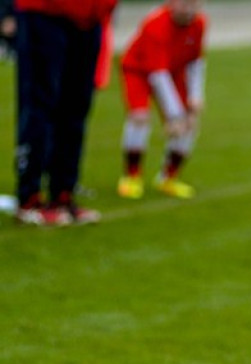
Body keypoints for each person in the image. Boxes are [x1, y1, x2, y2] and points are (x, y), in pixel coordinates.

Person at [13, 0, 118, 226]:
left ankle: (63, 193)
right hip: (46, 11)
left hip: (89, 17)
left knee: (76, 108)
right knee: (40, 103)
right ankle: (29, 197)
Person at [117, 0, 206, 200]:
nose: (189, 10)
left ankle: (168, 178)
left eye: (194, 4)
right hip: (138, 70)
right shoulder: (155, 24)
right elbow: (158, 74)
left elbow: (196, 60)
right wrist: (174, 116)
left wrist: (195, 97)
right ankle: (131, 176)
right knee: (139, 117)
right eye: (184, 4)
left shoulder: (199, 23)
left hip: (173, 71)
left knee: (190, 124)